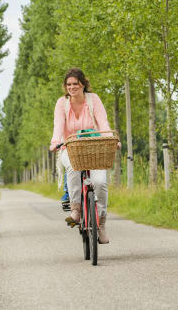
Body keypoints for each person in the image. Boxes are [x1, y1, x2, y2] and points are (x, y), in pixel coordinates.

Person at [49, 68, 119, 244]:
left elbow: (103, 122)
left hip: (94, 147)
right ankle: (76, 210)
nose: (72, 87)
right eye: (69, 84)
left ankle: (101, 224)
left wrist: (111, 139)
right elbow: (58, 125)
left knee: (100, 183)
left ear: (83, 84)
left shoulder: (93, 100)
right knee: (73, 167)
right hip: (70, 147)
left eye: (75, 84)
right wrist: (55, 142)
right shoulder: (62, 103)